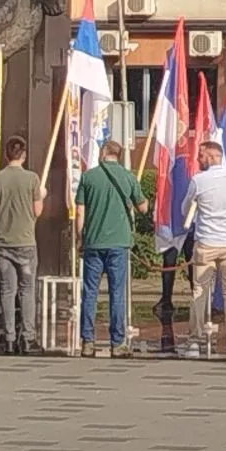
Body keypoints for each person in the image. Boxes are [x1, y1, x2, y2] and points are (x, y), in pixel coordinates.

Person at [73, 139, 146, 357]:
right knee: (117, 293)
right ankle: (117, 343)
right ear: (118, 154)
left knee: (90, 293)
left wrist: (80, 238)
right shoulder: (128, 177)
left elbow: (79, 213)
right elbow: (143, 207)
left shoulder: (88, 177)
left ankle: (87, 341)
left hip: (93, 243)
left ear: (104, 152)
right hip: (119, 244)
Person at [183, 140, 226, 359]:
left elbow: (185, 208)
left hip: (205, 242)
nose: (198, 159)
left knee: (200, 292)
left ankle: (195, 341)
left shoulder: (198, 180)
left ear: (212, 156)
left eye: (201, 155)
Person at [0, 135, 45, 355]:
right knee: (27, 290)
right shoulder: (32, 179)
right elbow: (37, 211)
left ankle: (9, 338)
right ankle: (28, 338)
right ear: (24, 155)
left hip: (1, 241)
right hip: (26, 241)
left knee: (7, 290)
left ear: (6, 155)